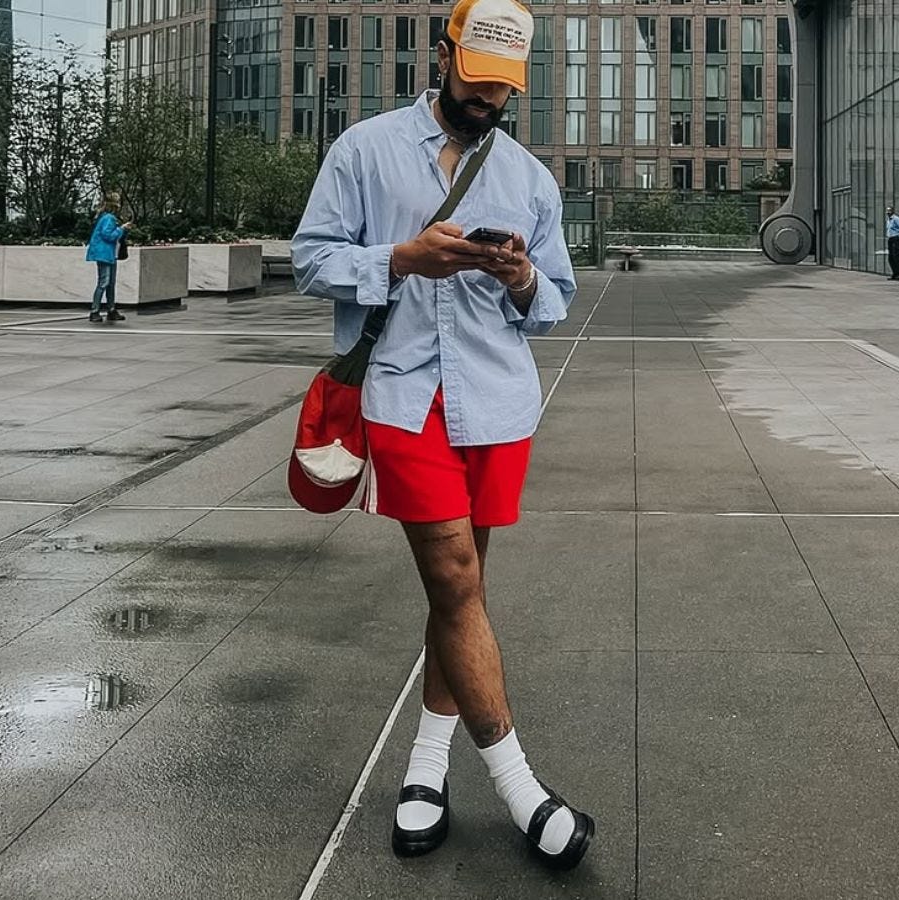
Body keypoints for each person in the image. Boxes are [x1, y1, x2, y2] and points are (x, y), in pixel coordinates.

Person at [291, 0, 593, 871]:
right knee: (456, 577)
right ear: (444, 52)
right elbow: (310, 257)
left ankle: (425, 773)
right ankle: (521, 787)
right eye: (477, 79)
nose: (489, 99)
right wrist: (397, 260)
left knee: (460, 593)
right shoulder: (366, 150)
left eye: (505, 88)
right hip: (401, 395)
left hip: (498, 404)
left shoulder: (531, 179)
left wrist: (522, 274)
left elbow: (557, 303)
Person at [85, 192, 132, 323]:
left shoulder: (105, 217)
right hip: (105, 253)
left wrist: (122, 230)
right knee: (105, 282)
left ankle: (110, 309)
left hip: (109, 254)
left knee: (109, 283)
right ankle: (96, 310)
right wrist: (121, 229)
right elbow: (108, 235)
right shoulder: (109, 218)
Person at [885, 206, 899, 280]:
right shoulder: (888, 220)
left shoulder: (896, 219)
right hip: (890, 238)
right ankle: (895, 273)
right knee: (891, 257)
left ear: (892, 211)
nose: (888, 213)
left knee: (896, 256)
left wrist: (897, 235)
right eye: (887, 211)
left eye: (889, 211)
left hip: (896, 238)